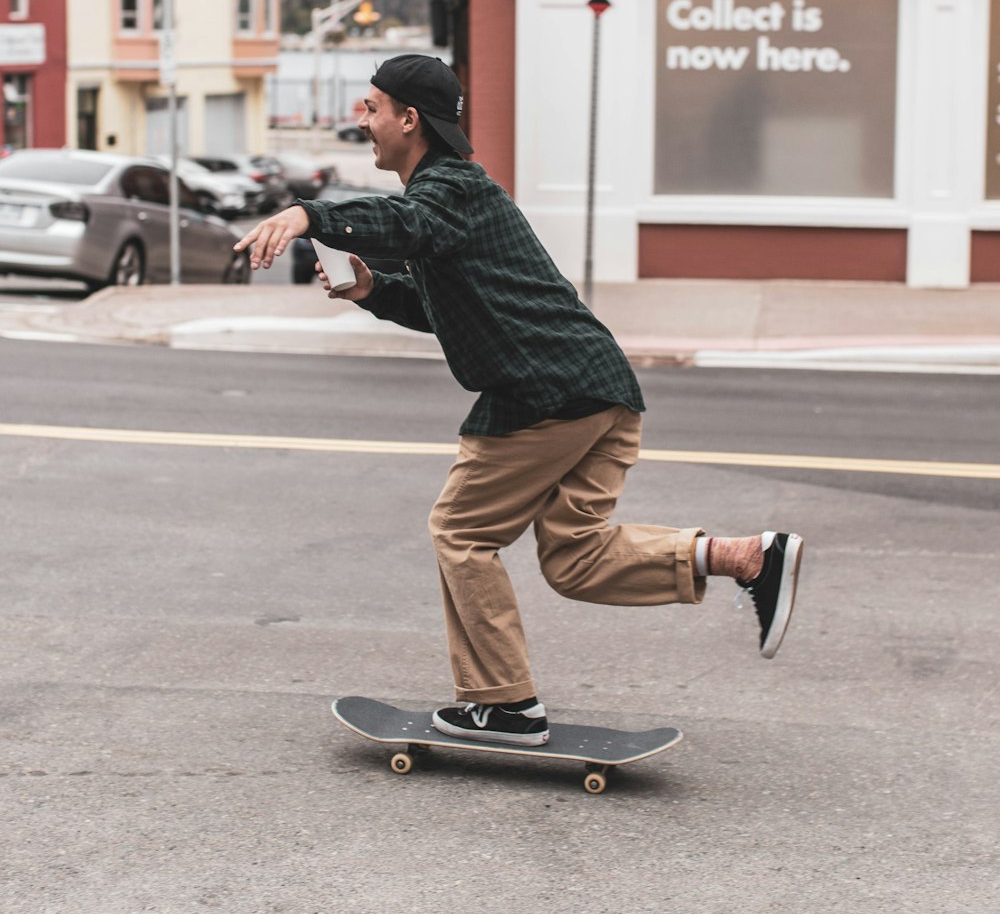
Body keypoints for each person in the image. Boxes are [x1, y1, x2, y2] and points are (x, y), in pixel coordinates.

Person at [234, 55, 803, 748]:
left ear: (409, 120)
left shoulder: (449, 188)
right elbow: (449, 304)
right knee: (576, 559)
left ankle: (502, 705)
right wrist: (371, 290)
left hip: (548, 393)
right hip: (599, 391)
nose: (363, 118)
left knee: (461, 532)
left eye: (373, 106)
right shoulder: (449, 201)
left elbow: (407, 225)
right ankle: (745, 557)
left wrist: (306, 214)